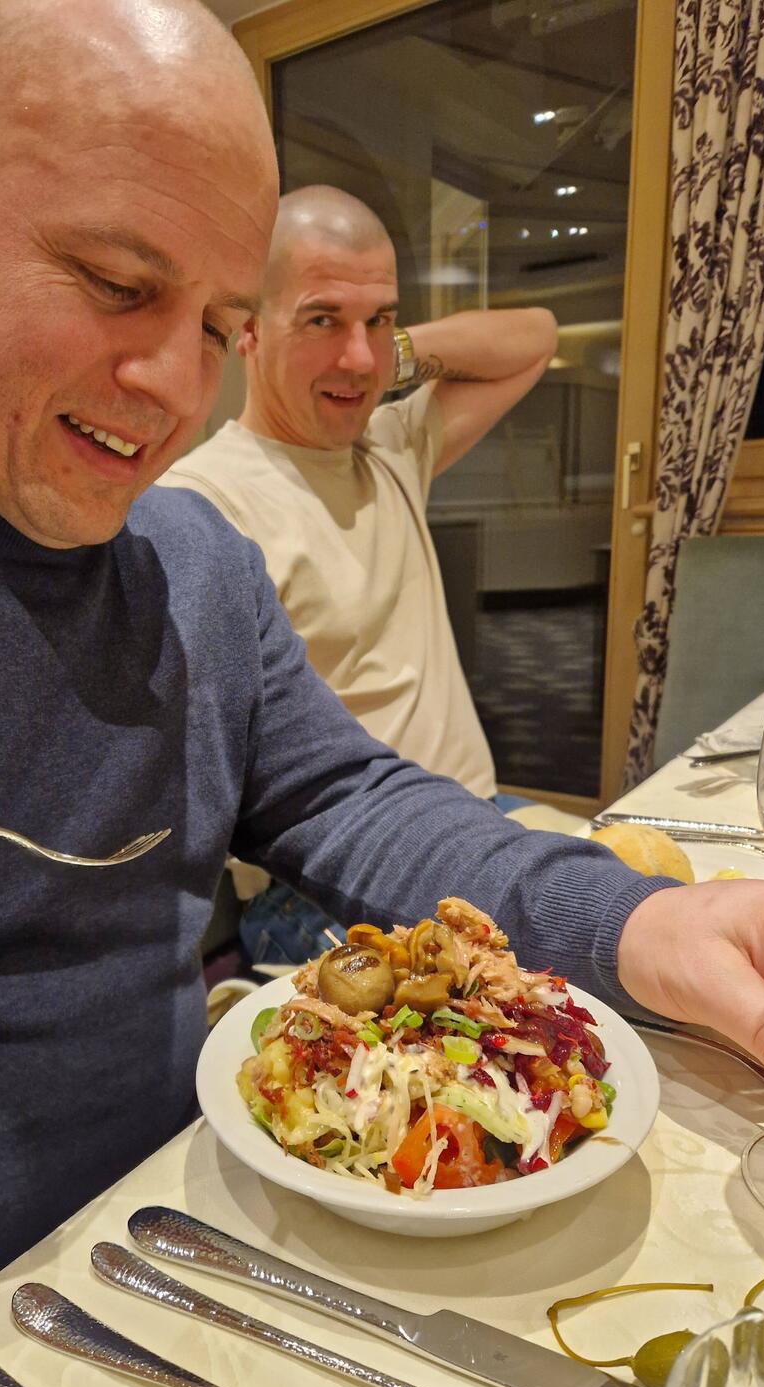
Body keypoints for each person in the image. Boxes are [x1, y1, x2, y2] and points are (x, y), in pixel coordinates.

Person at [0, 2, 764, 1387]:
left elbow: (359, 800)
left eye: (219, 327)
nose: (177, 391)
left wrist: (648, 923)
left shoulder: (197, 567)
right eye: (118, 285)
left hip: (188, 1247)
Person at [159, 186, 563, 964]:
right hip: (330, 880)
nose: (357, 357)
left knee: (671, 927)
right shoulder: (204, 506)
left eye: (379, 319)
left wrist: (387, 356)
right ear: (248, 330)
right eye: (322, 320)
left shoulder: (391, 446)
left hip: (478, 818)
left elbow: (535, 337)